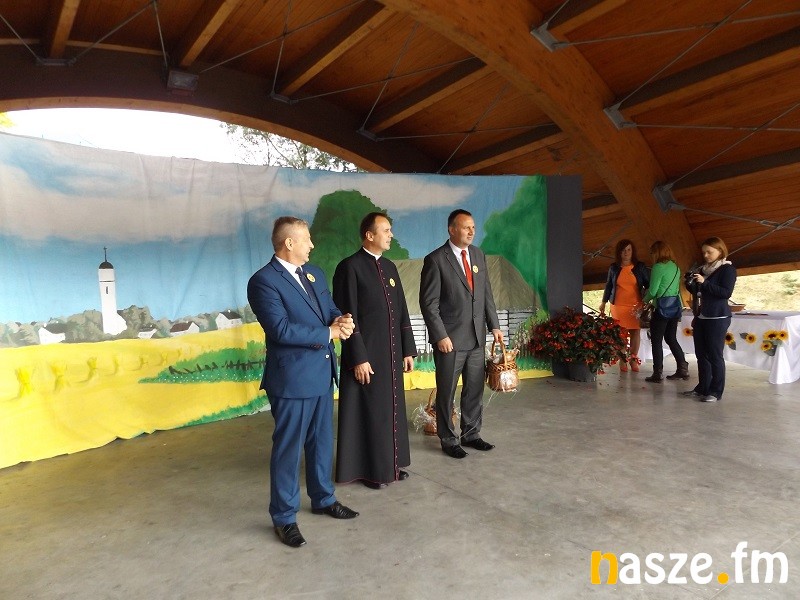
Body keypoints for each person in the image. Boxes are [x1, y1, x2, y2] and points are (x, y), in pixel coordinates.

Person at [247, 216, 359, 548]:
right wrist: (329, 333)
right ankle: (284, 517)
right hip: (292, 380)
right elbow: (280, 330)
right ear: (289, 243)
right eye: (306, 239)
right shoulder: (264, 281)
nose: (312, 245)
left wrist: (341, 319)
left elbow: (329, 308)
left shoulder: (314, 273)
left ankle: (323, 498)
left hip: (322, 374)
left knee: (321, 442)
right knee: (289, 449)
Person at [332, 212, 417, 489]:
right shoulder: (349, 267)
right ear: (369, 235)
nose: (391, 235)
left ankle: (391, 465)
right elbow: (347, 317)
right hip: (367, 356)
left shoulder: (390, 267)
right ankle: (370, 472)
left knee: (390, 410)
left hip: (391, 355)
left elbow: (402, 310)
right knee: (370, 413)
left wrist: (407, 350)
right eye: (386, 230)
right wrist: (358, 357)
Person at [420, 209, 503, 459]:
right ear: (452, 229)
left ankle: (471, 434)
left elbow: (486, 293)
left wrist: (495, 325)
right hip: (450, 341)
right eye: (466, 227)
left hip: (477, 337)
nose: (471, 231)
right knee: (447, 392)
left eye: (473, 227)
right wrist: (440, 336)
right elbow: (429, 304)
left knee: (474, 390)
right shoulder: (436, 260)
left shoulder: (478, 255)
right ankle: (448, 439)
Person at [682, 237, 737, 402]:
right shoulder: (703, 269)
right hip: (702, 316)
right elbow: (697, 292)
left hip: (718, 317)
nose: (706, 255)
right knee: (701, 354)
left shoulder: (727, 269)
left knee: (714, 355)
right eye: (704, 252)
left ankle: (716, 391)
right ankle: (703, 388)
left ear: (720, 251)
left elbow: (725, 293)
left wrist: (704, 282)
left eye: (709, 252)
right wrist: (689, 283)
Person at [599, 239, 649, 372]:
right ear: (619, 252)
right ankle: (622, 359)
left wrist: (647, 300)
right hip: (618, 306)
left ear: (633, 251)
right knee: (620, 334)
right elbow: (609, 285)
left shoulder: (640, 267)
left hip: (636, 306)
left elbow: (648, 284)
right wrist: (603, 302)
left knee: (635, 332)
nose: (626, 253)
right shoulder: (613, 267)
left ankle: (633, 359)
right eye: (623, 250)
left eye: (629, 250)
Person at [641, 241, 687, 383]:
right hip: (674, 307)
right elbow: (676, 289)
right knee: (671, 338)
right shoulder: (676, 267)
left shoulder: (658, 267)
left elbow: (653, 291)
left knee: (656, 341)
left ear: (657, 253)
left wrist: (644, 300)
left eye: (652, 253)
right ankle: (682, 368)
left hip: (661, 308)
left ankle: (657, 373)